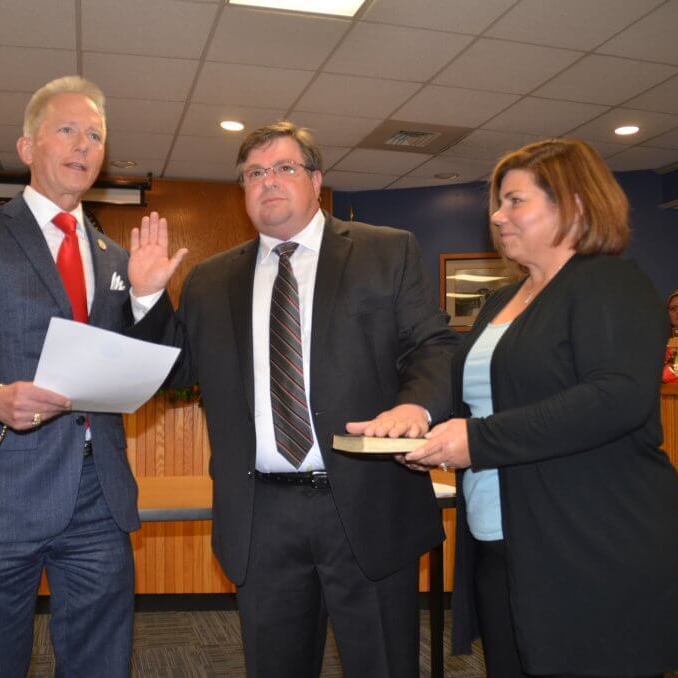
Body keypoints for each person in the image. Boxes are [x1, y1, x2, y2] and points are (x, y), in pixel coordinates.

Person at [129, 121, 459, 676]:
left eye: (284, 168)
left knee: (382, 663)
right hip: (262, 515)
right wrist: (147, 298)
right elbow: (176, 372)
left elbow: (433, 344)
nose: (268, 182)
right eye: (254, 173)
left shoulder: (385, 252)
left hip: (367, 500)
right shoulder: (211, 280)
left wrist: (415, 407)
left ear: (316, 179)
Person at [0, 75, 184, 677]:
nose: (83, 146)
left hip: (98, 494)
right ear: (28, 147)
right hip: (0, 491)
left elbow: (156, 366)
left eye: (95, 136)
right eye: (67, 130)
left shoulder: (116, 256)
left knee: (100, 663)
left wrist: (145, 298)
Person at [403, 139, 678, 676]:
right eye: (499, 202)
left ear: (576, 205)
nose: (497, 214)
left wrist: (479, 440)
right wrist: (413, 415)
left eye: (515, 201)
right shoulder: (501, 299)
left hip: (587, 540)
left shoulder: (609, 283)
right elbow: (473, 388)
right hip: (501, 534)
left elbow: (616, 398)